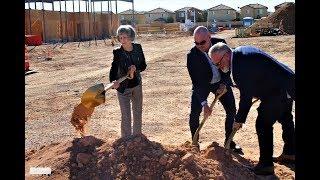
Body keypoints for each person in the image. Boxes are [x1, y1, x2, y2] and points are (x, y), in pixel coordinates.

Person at [208, 42, 295, 175]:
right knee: (285, 117)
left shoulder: (239, 66)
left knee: (263, 124)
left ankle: (265, 165)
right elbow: (257, 76)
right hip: (287, 82)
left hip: (280, 90)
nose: (219, 67)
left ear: (225, 55)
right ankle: (290, 152)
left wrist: (239, 119)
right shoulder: (240, 53)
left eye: (218, 63)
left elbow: (246, 98)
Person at [186, 26, 242, 153]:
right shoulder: (192, 56)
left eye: (202, 42)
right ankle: (195, 144)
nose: (199, 45)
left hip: (221, 83)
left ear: (209, 37)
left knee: (231, 110)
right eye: (196, 43)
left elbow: (229, 65)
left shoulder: (220, 44)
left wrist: (224, 83)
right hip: (202, 85)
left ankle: (229, 142)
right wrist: (204, 104)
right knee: (195, 113)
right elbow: (196, 82)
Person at [109, 25, 147, 138]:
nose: (122, 40)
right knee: (126, 115)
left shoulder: (138, 48)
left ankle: (137, 136)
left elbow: (143, 65)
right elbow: (114, 68)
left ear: (131, 37)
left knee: (137, 112)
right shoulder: (117, 52)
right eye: (120, 38)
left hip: (136, 85)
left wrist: (136, 68)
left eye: (125, 37)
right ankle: (126, 139)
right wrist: (113, 81)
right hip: (123, 87)